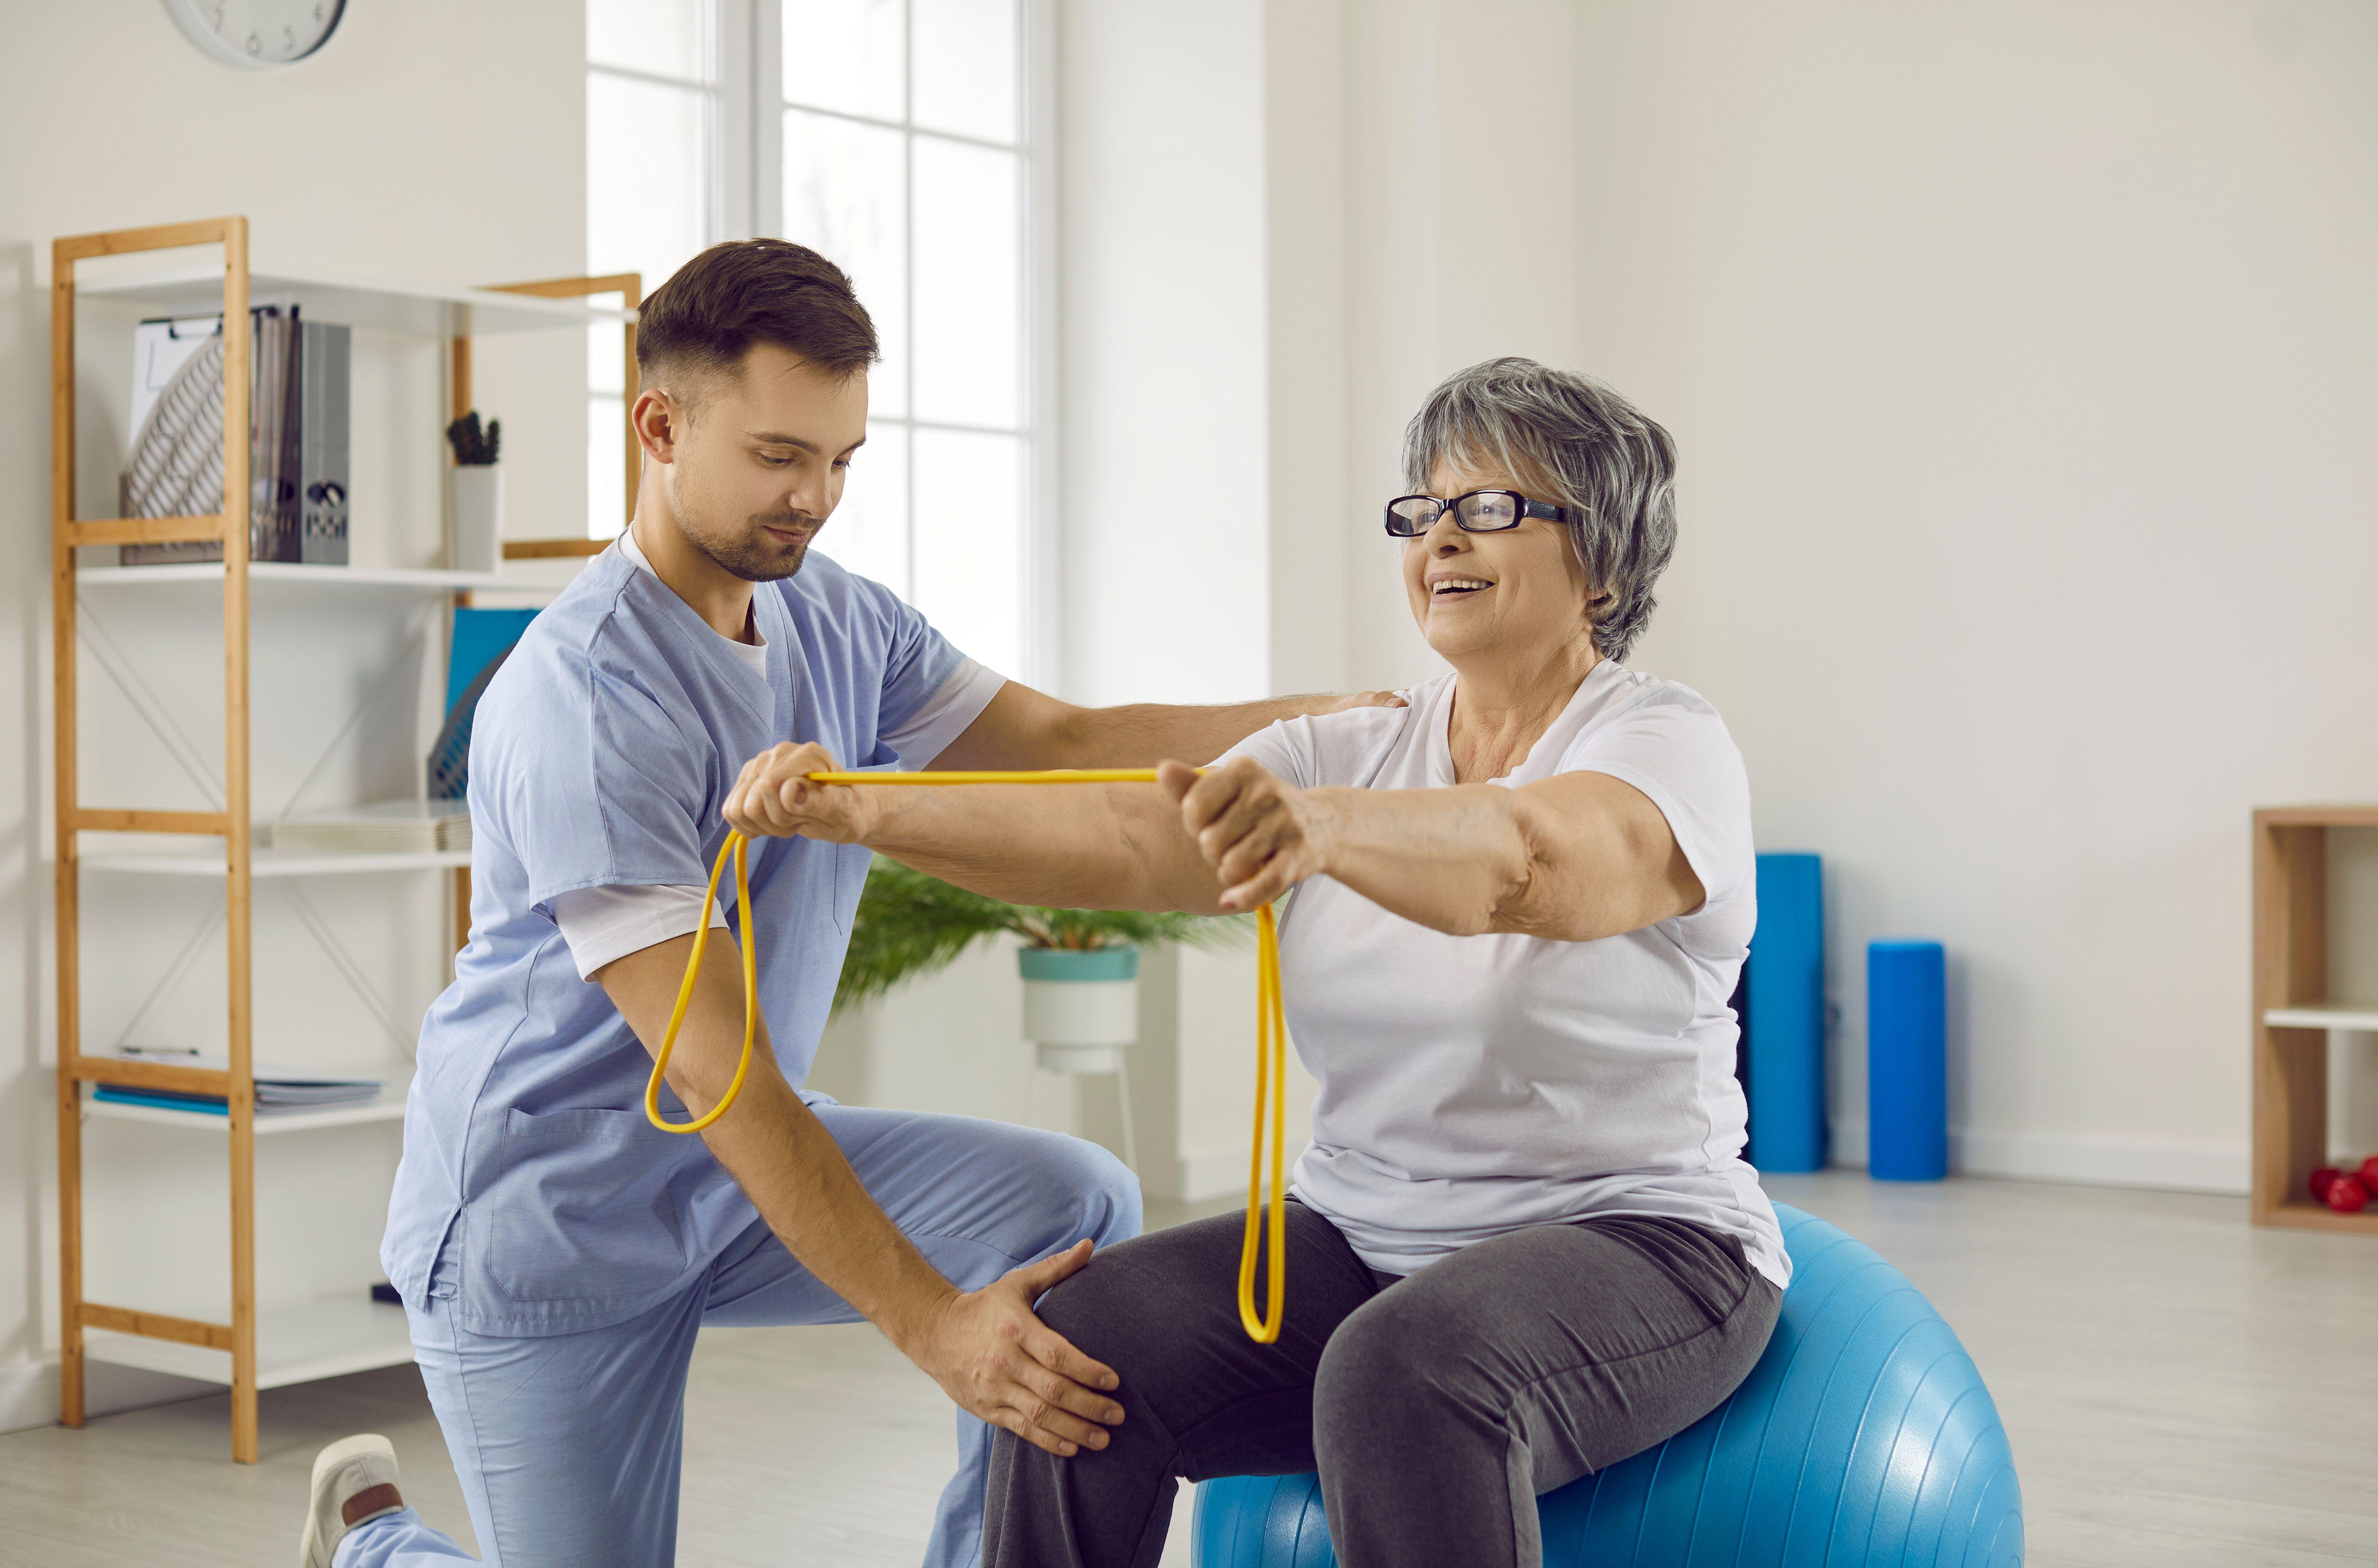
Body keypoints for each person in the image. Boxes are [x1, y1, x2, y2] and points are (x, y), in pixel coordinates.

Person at [301, 239, 1397, 1568]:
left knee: (1072, 1205)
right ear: (661, 424)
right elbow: (718, 1073)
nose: (813, 497)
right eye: (778, 456)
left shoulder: (835, 617)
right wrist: (939, 1330)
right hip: (547, 1222)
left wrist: (1322, 726)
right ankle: (372, 1545)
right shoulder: (586, 697)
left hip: (724, 1180)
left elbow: (1064, 741)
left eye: (840, 460)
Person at [721, 357, 1788, 1568]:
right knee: (1078, 1344)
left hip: (1637, 1239)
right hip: (1363, 1230)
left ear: (1598, 556)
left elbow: (1530, 861)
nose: (1441, 535)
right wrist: (867, 812)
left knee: (1405, 1367)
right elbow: (1125, 837)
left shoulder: (1663, 741)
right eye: (1422, 510)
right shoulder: (1350, 746)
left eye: (1490, 506)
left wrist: (1323, 827)